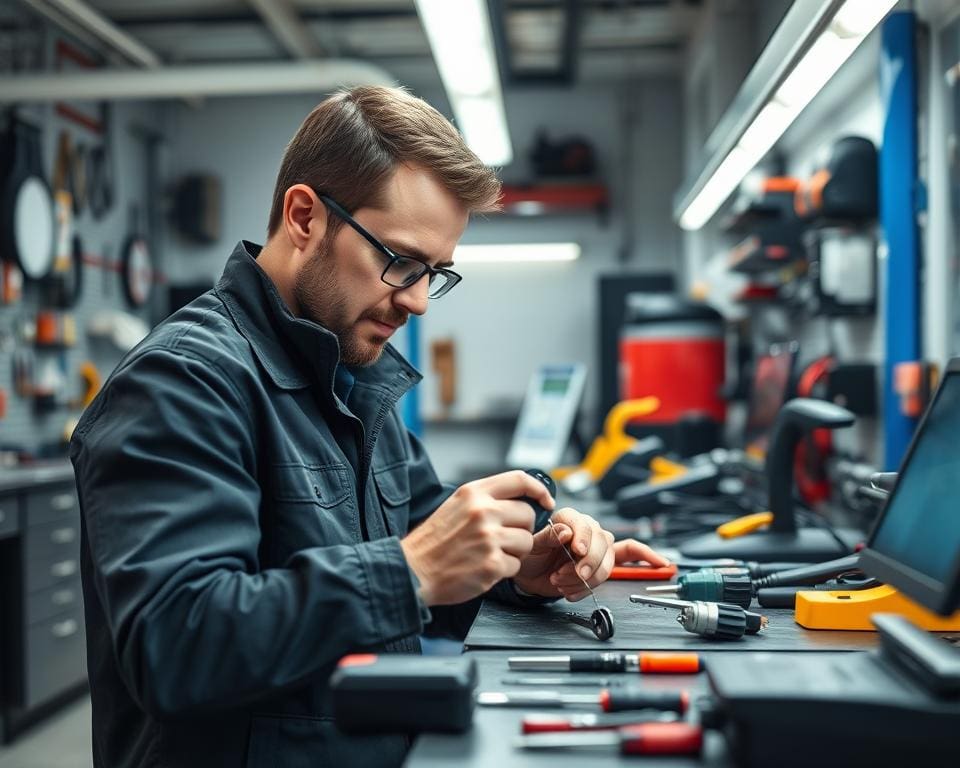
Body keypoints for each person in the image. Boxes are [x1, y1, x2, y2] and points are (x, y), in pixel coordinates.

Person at [70, 85, 668, 768]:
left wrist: (518, 563)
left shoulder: (350, 373)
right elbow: (176, 646)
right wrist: (409, 572)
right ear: (304, 216)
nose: (416, 300)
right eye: (401, 262)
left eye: (434, 274)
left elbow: (416, 521)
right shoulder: (181, 383)